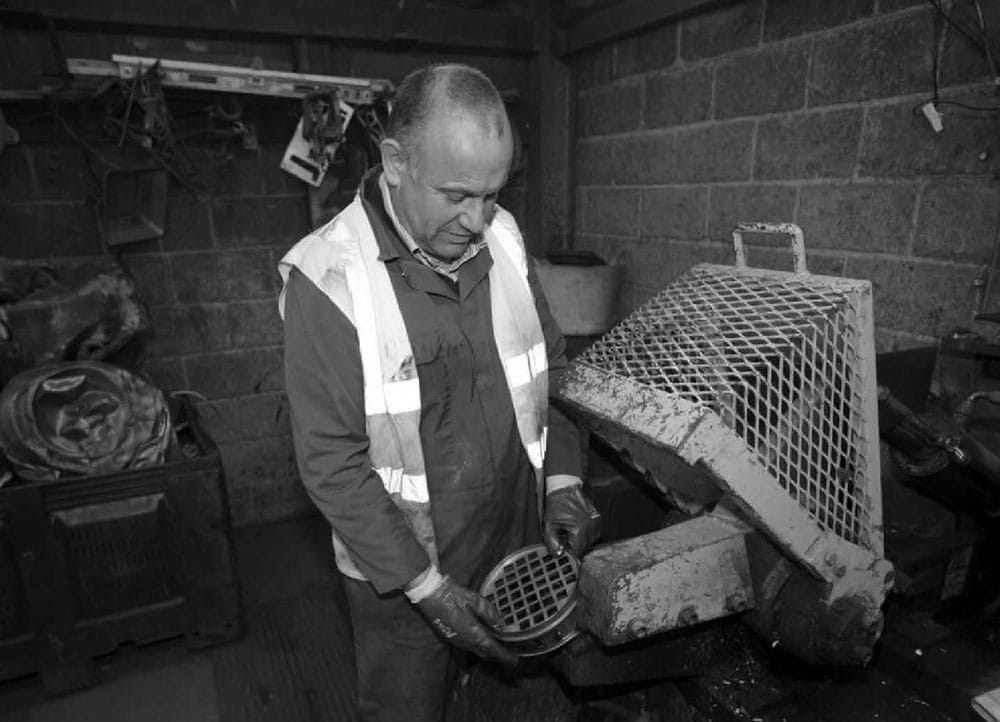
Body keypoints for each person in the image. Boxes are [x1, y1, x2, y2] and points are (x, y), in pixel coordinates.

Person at [278, 63, 601, 722]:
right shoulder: (330, 279)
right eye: (457, 194)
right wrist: (425, 589)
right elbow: (331, 464)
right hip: (403, 570)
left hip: (514, 537)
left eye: (493, 194)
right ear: (395, 161)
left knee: (511, 698)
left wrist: (564, 480)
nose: (478, 219)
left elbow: (554, 368)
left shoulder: (503, 238)